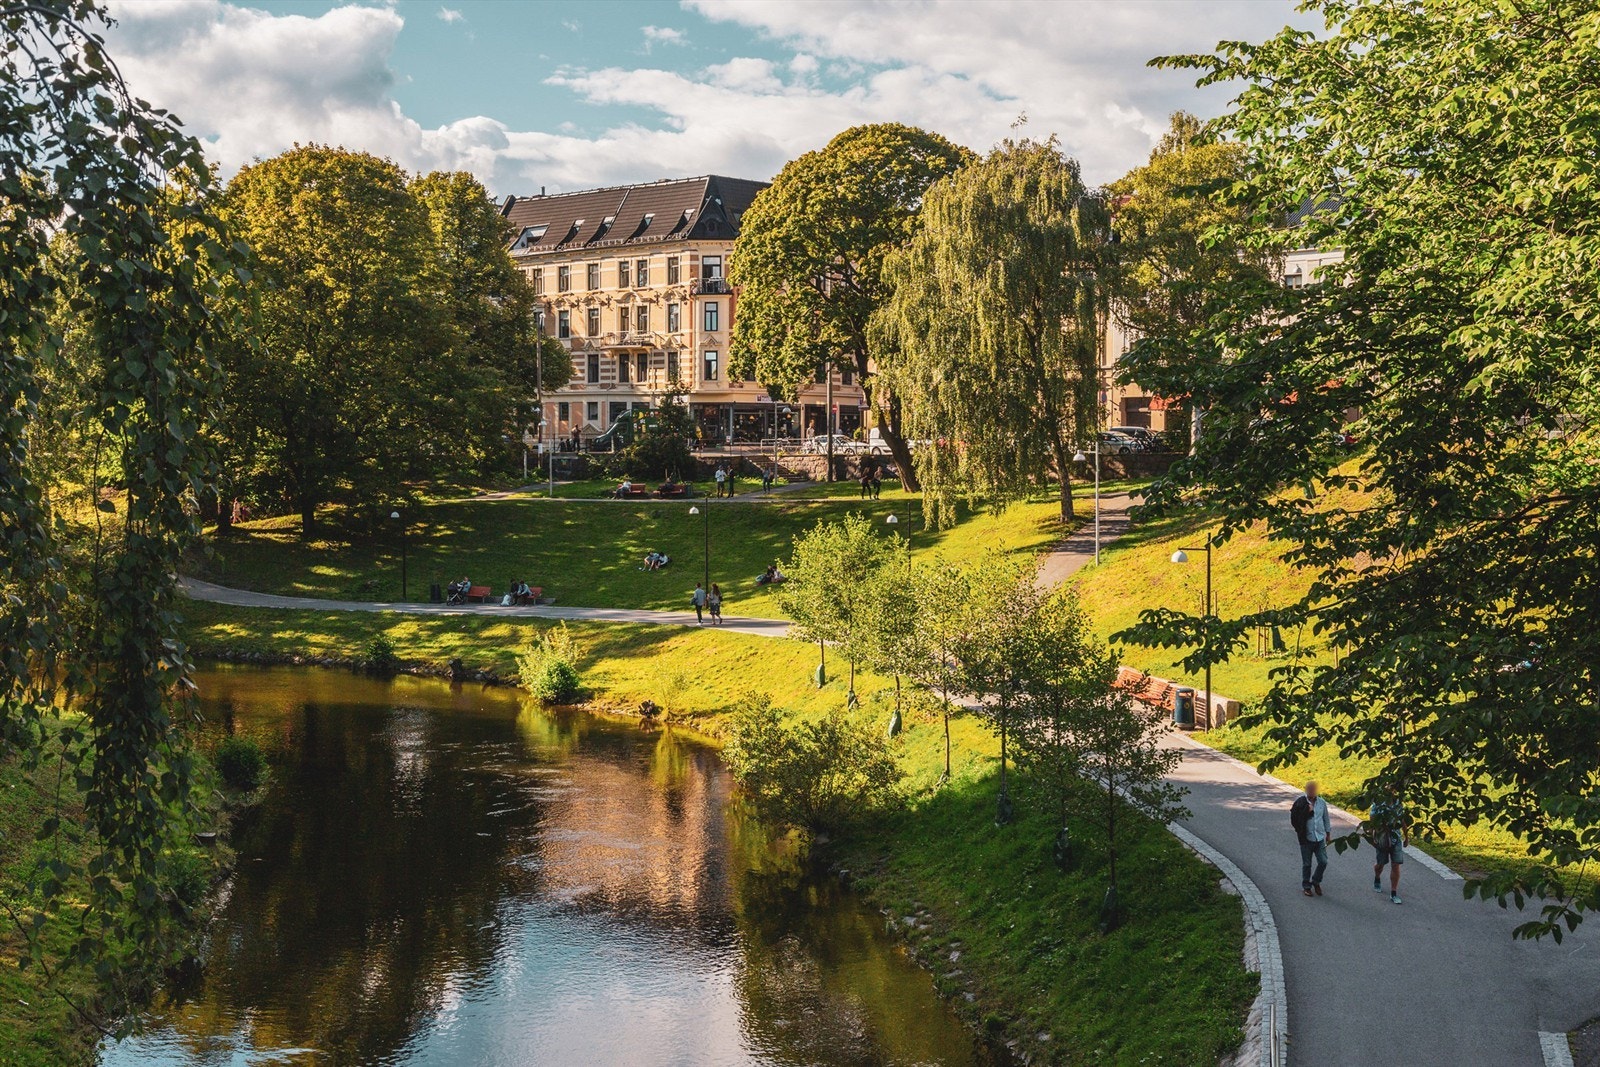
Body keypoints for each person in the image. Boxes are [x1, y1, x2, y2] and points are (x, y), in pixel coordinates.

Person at [1291, 779, 1331, 897]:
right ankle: (1306, 886)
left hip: (1319, 838)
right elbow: (1295, 820)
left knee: (1323, 862)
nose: (1312, 791)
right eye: (1310, 789)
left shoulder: (1322, 803)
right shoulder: (1300, 803)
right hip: (1306, 839)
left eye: (1314, 789)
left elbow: (1326, 818)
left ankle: (1316, 881)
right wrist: (1307, 812)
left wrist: (1328, 833)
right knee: (1307, 864)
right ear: (1306, 790)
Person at [1370, 785, 1408, 905]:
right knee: (1380, 864)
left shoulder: (1398, 804)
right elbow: (1372, 821)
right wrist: (1373, 837)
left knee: (1396, 865)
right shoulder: (1377, 804)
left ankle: (1393, 892)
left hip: (1396, 838)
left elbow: (1402, 821)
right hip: (1382, 839)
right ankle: (1377, 877)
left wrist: (1407, 837)